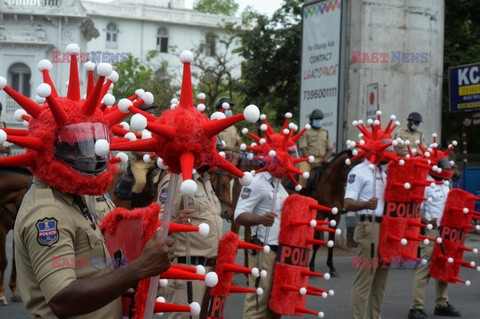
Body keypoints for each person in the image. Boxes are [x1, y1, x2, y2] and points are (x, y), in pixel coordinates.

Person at [158, 165, 223, 319]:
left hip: (211, 270)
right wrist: (175, 221)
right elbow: (156, 225)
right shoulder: (176, 180)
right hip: (187, 268)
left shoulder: (206, 180)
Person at [408, 157, 461, 319]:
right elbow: (415, 209)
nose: (446, 174)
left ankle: (442, 304)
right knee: (425, 268)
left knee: (444, 265)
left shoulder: (445, 183)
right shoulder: (424, 184)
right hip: (431, 231)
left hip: (447, 230)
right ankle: (416, 308)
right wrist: (426, 222)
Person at [234, 171, 289, 319]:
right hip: (264, 251)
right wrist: (260, 219)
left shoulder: (278, 182)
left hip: (281, 251)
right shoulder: (256, 181)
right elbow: (239, 215)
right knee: (258, 302)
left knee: (275, 304)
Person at [344, 159, 388, 319]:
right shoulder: (359, 171)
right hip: (369, 225)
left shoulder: (383, 172)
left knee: (380, 283)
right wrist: (365, 204)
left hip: (385, 228)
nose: (390, 152)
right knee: (364, 279)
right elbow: (347, 203)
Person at [129, 104, 160, 208]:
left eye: (152, 112)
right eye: (149, 112)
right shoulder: (135, 127)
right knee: (141, 181)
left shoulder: (157, 126)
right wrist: (147, 155)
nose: (152, 114)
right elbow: (132, 146)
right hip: (140, 162)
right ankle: (133, 208)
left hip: (158, 161)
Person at [298, 109, 333, 188]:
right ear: (311, 120)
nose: (319, 121)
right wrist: (312, 161)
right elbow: (303, 148)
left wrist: (325, 159)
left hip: (321, 160)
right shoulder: (305, 131)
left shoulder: (325, 132)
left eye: (320, 120)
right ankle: (302, 194)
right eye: (317, 120)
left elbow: (330, 149)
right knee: (304, 175)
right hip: (307, 160)